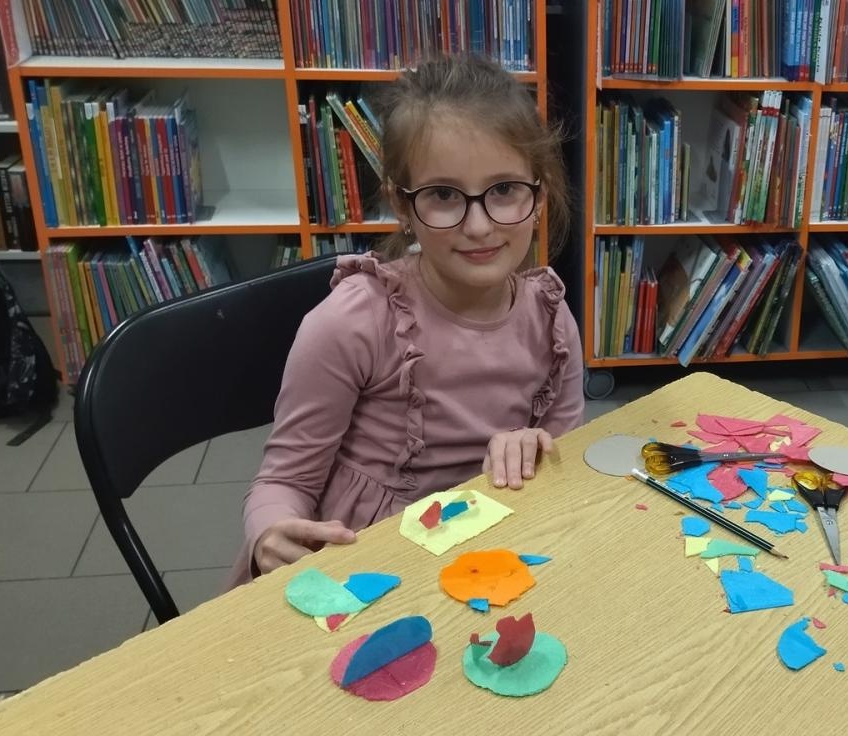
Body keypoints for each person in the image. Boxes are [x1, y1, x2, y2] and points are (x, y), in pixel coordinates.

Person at [230, 53, 583, 584]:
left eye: (505, 190)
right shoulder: (353, 322)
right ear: (401, 203)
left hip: (492, 556)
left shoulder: (552, 320)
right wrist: (272, 532)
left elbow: (564, 458)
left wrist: (539, 450)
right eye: (443, 195)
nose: (481, 225)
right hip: (369, 563)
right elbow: (283, 482)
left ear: (540, 194)